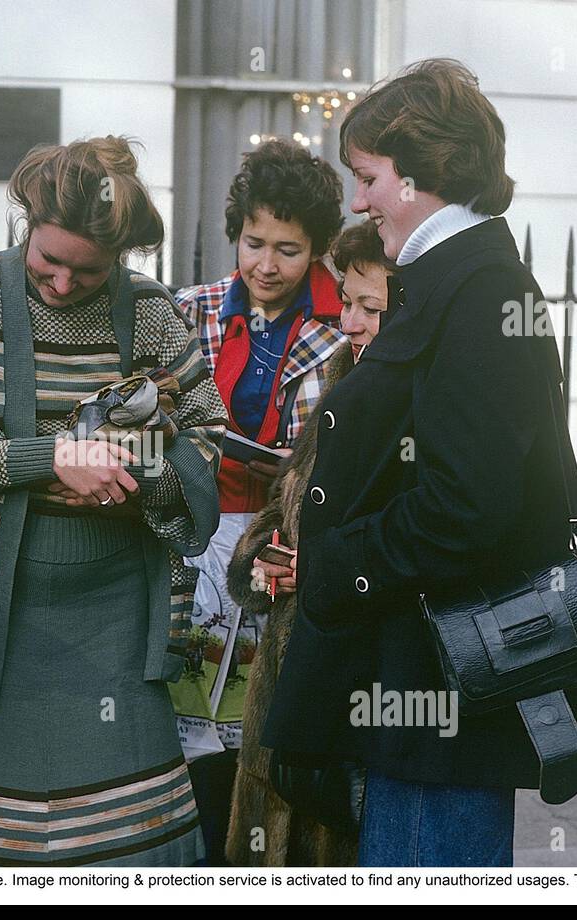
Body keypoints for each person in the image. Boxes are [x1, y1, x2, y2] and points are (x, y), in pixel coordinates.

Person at [262, 59, 577, 867]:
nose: (356, 201)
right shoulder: (456, 279)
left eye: (368, 176)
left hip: (443, 694)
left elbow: (467, 505)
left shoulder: (482, 286)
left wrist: (340, 563)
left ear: (424, 171)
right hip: (419, 680)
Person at [0, 136, 227, 866]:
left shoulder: (150, 311)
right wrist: (52, 456)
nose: (59, 283)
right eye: (48, 261)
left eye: (87, 271)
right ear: (25, 219)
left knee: (125, 848)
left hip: (119, 616)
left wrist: (126, 464)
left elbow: (206, 441)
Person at [173, 138, 347, 862]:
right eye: (253, 243)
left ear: (318, 249)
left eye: (287, 248)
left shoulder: (343, 327)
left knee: (262, 726)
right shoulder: (192, 310)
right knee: (190, 720)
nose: (266, 265)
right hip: (195, 536)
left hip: (282, 544)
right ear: (234, 231)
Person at [224, 221, 390, 866]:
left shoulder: (417, 396)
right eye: (345, 301)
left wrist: (320, 569)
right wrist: (261, 563)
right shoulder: (346, 376)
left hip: (352, 677)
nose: (347, 323)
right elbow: (284, 505)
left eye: (367, 307)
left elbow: (421, 537)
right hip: (288, 676)